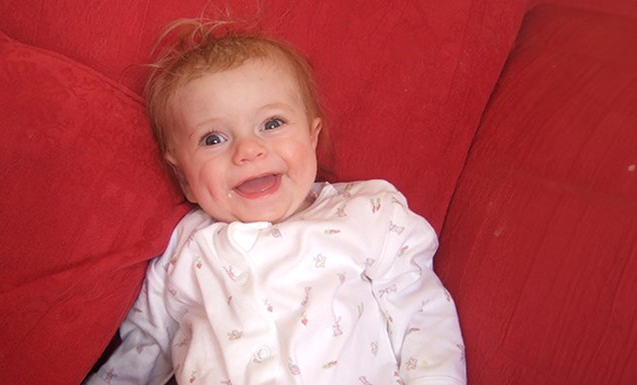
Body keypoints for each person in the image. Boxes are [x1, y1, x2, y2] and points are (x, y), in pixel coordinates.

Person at [86, 19, 467, 385]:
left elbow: (419, 306)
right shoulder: (184, 248)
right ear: (183, 177)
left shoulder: (368, 213)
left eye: (272, 124)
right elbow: (146, 346)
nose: (249, 150)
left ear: (313, 138)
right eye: (213, 139)